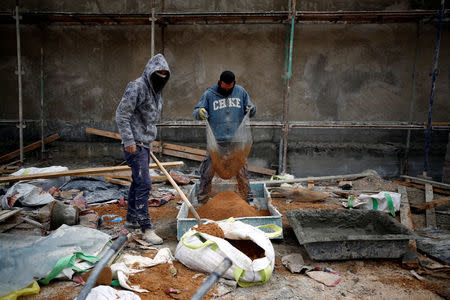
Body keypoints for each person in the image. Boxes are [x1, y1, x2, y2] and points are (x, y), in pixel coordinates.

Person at [115, 54, 170, 245]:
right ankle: (146, 228)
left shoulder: (157, 91)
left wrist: (147, 142)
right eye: (158, 73)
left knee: (138, 182)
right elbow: (122, 114)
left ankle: (131, 220)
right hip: (134, 145)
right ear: (150, 71)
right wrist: (129, 139)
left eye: (165, 74)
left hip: (144, 144)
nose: (161, 76)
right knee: (145, 184)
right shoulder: (137, 86)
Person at [193, 71, 256, 204]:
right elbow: (196, 112)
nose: (227, 89)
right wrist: (200, 112)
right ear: (220, 82)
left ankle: (247, 200)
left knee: (241, 171)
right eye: (225, 86)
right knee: (208, 170)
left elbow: (252, 111)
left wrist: (251, 109)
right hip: (216, 142)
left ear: (234, 83)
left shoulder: (241, 92)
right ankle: (202, 200)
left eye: (230, 86)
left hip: (236, 141)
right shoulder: (209, 94)